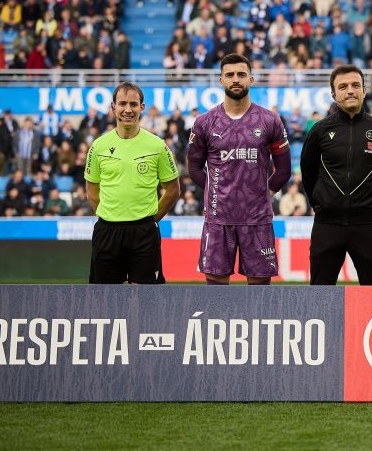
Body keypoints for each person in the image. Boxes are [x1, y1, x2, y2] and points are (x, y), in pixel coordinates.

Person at [187, 53, 292, 285]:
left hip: (257, 219)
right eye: (230, 75)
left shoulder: (269, 120)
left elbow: (284, 170)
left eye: (241, 74)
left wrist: (265, 193)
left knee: (259, 291)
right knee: (216, 290)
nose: (236, 79)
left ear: (251, 80)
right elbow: (194, 168)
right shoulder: (204, 122)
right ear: (221, 80)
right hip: (218, 219)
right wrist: (216, 189)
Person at [299, 64, 372, 285]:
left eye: (356, 85)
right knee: (320, 295)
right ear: (334, 94)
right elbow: (307, 173)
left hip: (368, 225)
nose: (350, 90)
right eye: (343, 87)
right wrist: (320, 205)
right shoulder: (319, 131)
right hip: (327, 225)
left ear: (364, 90)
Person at [85, 81, 181, 284]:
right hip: (107, 232)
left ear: (142, 107)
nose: (128, 110)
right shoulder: (98, 146)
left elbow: (173, 190)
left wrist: (151, 219)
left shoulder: (157, 145)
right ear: (113, 107)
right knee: (105, 301)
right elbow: (92, 192)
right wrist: (112, 214)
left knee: (145, 300)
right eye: (122, 104)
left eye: (133, 104)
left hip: (144, 232)